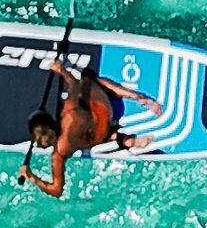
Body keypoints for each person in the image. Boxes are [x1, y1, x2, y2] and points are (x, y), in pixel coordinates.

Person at [18, 57, 134, 200]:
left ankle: (118, 137)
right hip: (104, 113)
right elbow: (74, 82)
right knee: (87, 78)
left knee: (89, 139)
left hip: (99, 136)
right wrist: (61, 70)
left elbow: (57, 190)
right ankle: (134, 96)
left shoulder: (59, 153)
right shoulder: (69, 113)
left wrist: (32, 177)